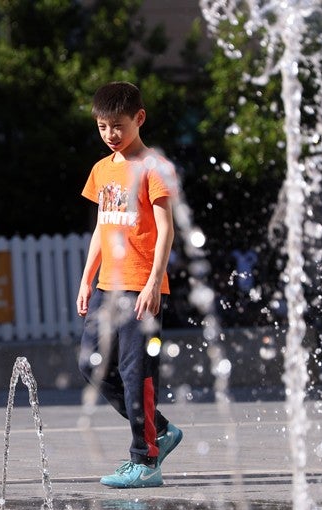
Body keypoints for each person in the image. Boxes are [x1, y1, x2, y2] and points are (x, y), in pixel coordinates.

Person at [76, 81, 183, 489]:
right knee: (90, 364)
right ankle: (160, 430)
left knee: (136, 372)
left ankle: (146, 459)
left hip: (142, 288)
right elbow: (102, 228)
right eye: (102, 126)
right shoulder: (102, 169)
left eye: (117, 126)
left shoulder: (153, 167)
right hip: (106, 287)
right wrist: (87, 279)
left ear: (139, 118)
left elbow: (165, 227)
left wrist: (155, 281)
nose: (110, 135)